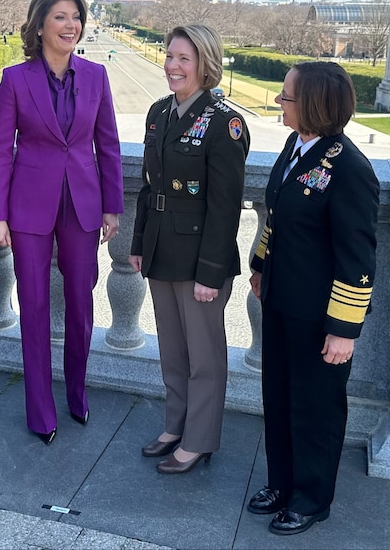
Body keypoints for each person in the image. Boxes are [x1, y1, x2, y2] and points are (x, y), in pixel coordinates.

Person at [0, 0, 123, 445]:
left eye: (76, 17)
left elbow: (107, 145)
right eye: (61, 17)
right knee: (36, 305)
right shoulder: (14, 79)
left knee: (82, 303)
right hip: (28, 207)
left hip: (83, 205)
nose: (71, 25)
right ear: (40, 24)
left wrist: (112, 206)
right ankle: (40, 409)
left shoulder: (96, 76)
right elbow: (1, 151)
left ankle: (78, 395)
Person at [247, 62, 379, 536]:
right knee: (280, 398)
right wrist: (261, 267)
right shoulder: (295, 146)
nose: (279, 102)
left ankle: (311, 497)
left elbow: (358, 257)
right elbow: (277, 216)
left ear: (315, 104)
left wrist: (344, 330)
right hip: (282, 301)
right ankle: (282, 483)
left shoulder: (349, 169)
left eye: (286, 96)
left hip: (321, 316)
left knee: (316, 408)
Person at [129, 24, 250, 474]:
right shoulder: (159, 113)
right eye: (169, 56)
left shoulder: (225, 123)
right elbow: (149, 187)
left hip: (201, 255)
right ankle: (175, 424)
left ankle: (199, 439)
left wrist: (211, 272)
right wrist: (139, 243)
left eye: (184, 58)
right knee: (173, 351)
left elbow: (225, 207)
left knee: (204, 356)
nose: (172, 66)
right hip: (161, 248)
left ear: (205, 64)